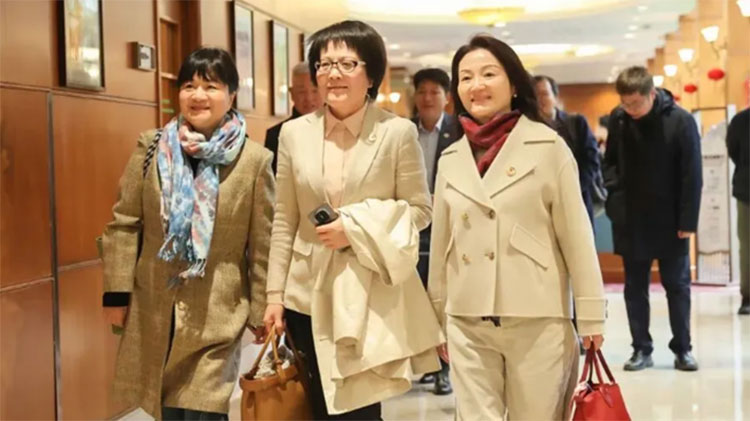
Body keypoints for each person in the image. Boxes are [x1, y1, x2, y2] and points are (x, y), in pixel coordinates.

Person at [262, 20, 443, 420]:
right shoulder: (293, 134)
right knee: (316, 405)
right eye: (324, 65)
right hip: (306, 291)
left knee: (359, 409)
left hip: (368, 291)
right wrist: (274, 295)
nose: (333, 74)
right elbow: (284, 220)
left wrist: (356, 228)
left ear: (371, 75)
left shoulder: (397, 132)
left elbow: (420, 209)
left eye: (347, 64)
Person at [428, 34, 606, 420]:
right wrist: (436, 317)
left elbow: (577, 238)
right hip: (467, 319)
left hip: (538, 318)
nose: (476, 85)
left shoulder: (548, 147)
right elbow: (442, 243)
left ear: (513, 84)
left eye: (488, 74)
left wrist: (591, 315)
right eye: (465, 77)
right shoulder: (451, 157)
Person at [101, 47, 275, 420]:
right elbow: (124, 222)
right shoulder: (151, 148)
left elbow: (263, 245)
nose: (198, 95)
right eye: (189, 86)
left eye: (211, 86)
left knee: (204, 409)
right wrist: (116, 294)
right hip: (156, 305)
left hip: (218, 310)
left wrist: (262, 310)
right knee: (169, 410)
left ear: (231, 95)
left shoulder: (254, 161)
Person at [603, 66, 702, 372]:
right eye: (625, 104)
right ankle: (641, 349)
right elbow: (610, 162)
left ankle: (683, 349)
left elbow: (692, 174)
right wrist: (615, 195)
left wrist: (688, 221)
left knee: (677, 286)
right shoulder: (619, 119)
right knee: (635, 288)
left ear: (652, 94)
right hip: (631, 217)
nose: (630, 110)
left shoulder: (681, 120)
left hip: (671, 220)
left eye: (636, 104)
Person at [411, 67, 460, 395]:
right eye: (422, 91)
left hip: (449, 224)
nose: (427, 98)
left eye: (434, 92)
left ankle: (444, 368)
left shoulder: (459, 131)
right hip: (413, 227)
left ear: (447, 97)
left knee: (442, 296)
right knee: (418, 299)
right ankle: (429, 363)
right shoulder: (405, 132)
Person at [534, 74, 601, 225]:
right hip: (543, 207)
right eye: (535, 96)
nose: (539, 100)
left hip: (577, 199)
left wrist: (572, 189)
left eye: (544, 94)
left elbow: (591, 161)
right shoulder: (528, 130)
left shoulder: (576, 123)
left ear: (555, 97)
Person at [265, 61, 322, 173]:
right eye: (302, 92)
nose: (309, 98)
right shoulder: (277, 134)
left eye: (315, 91)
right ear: (292, 94)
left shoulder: (338, 129)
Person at [726, 107, 749, 315]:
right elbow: (733, 150)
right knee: (747, 247)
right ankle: (748, 296)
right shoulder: (741, 121)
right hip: (747, 192)